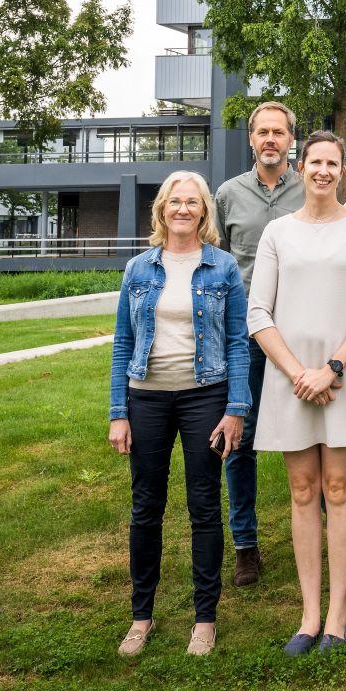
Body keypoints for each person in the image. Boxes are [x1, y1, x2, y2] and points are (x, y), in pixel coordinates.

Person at [248, 131, 346, 655]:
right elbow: (259, 313)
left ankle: (337, 616)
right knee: (303, 491)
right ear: (300, 166)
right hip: (291, 379)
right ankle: (307, 616)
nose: (324, 171)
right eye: (315, 162)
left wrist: (330, 369)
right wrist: (297, 374)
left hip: (343, 373)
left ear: (343, 170)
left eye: (333, 163)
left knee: (337, 488)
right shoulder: (277, 233)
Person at [108, 170, 250, 658]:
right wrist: (117, 412)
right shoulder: (138, 269)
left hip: (203, 397)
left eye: (193, 202)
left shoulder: (223, 268)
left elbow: (237, 342)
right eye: (175, 201)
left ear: (204, 211)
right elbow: (123, 342)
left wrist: (236, 408)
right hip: (145, 397)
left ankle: (204, 619)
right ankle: (141, 616)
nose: (183, 209)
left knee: (204, 506)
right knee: (146, 506)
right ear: (162, 209)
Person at [213, 99, 305, 587]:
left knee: (318, 437)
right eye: (262, 132)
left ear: (292, 138)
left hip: (301, 331)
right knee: (240, 438)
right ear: (251, 139)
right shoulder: (228, 195)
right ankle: (246, 544)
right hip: (246, 334)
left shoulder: (310, 187)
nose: (271, 140)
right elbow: (216, 267)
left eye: (279, 132)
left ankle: (335, 540)